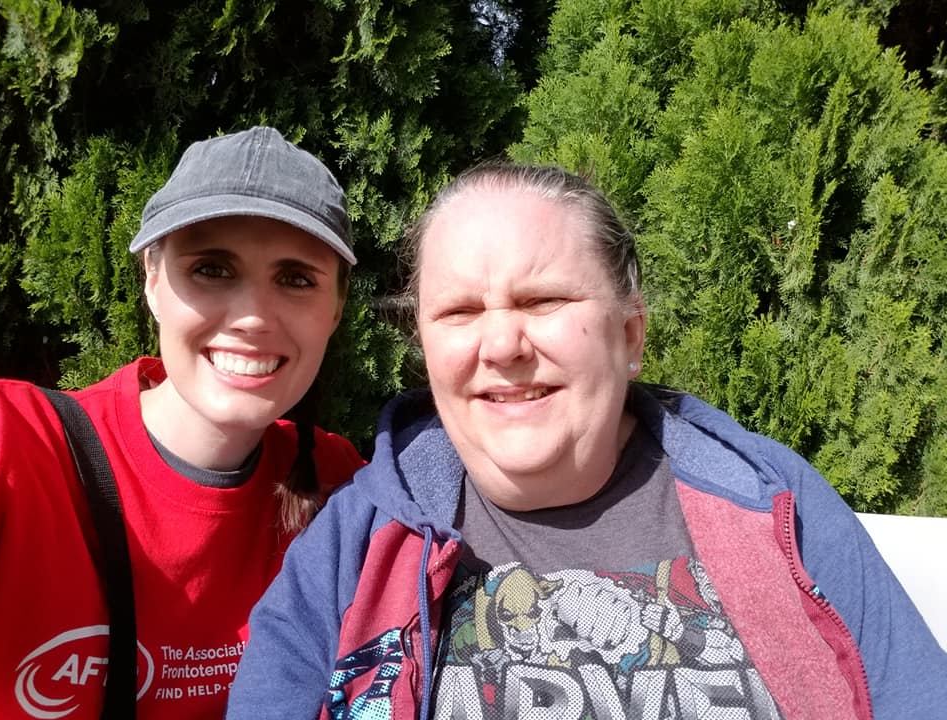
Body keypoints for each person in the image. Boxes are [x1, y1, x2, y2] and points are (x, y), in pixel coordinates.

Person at [225, 162, 947, 720]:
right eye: (460, 311)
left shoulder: (771, 501)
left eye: (543, 300)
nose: (501, 345)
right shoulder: (354, 546)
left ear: (629, 335)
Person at [0, 126, 365, 719]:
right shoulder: (17, 446)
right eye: (212, 269)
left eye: (296, 279)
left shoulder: (345, 488)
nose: (252, 317)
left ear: (335, 310)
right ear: (152, 280)